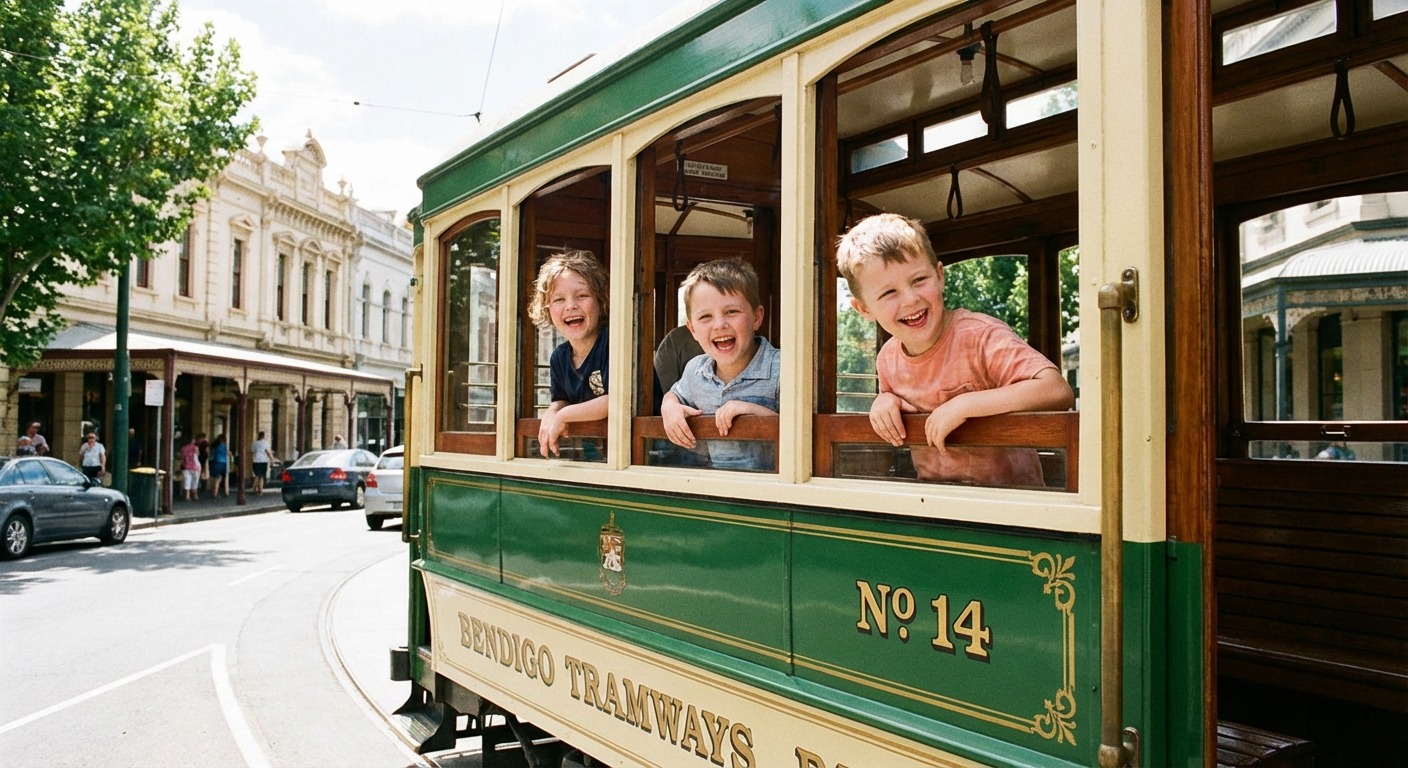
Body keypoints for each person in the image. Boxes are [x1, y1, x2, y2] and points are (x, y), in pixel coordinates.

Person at [836, 213, 1075, 487]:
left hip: (1011, 500)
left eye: (918, 280)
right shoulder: (887, 359)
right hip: (937, 499)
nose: (911, 299)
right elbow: (894, 403)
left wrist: (965, 405)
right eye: (889, 293)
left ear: (939, 276)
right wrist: (884, 401)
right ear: (864, 308)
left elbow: (1057, 390)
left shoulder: (980, 335)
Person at [661, 259, 781, 471]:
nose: (719, 324)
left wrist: (751, 410)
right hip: (715, 485)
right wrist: (669, 407)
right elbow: (675, 394)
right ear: (692, 330)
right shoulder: (695, 370)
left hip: (770, 492)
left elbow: (800, 433)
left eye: (732, 312)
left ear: (756, 317)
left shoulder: (782, 369)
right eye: (705, 316)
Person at [527, 250, 610, 459]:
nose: (571, 306)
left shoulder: (613, 342)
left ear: (601, 301)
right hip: (595, 453)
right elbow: (561, 398)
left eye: (582, 296)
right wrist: (553, 411)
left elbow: (619, 400)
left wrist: (564, 415)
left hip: (644, 453)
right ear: (547, 310)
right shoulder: (559, 357)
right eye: (558, 299)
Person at [180, 434, 202, 501]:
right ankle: (195, 495)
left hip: (186, 467)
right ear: (192, 440)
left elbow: (182, 458)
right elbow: (198, 455)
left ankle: (187, 496)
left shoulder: (183, 448)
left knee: (187, 481)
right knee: (195, 481)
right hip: (195, 467)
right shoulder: (195, 448)